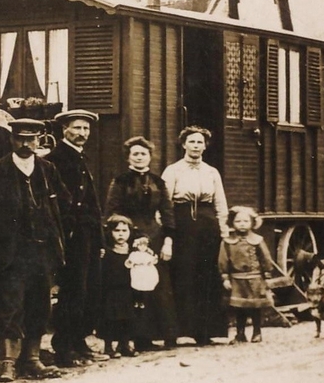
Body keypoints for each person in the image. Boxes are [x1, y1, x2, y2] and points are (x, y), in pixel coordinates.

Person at [0, 118, 69, 382]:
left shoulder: (48, 170)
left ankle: (33, 359)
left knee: (40, 303)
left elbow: (63, 204)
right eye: (20, 139)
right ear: (12, 140)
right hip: (10, 252)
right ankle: (8, 362)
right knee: (10, 303)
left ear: (39, 140)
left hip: (41, 250)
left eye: (31, 139)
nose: (26, 144)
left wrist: (55, 238)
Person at [44, 109, 107, 367]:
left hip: (87, 233)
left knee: (88, 289)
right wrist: (66, 232)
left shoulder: (81, 158)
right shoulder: (55, 159)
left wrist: (100, 240)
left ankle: (79, 340)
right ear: (64, 130)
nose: (83, 133)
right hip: (70, 235)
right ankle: (64, 346)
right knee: (72, 289)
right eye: (77, 128)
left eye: (86, 129)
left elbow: (93, 203)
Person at [104, 136, 178, 349]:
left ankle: (166, 335)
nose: (139, 157)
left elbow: (167, 212)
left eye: (143, 153)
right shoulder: (120, 181)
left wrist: (168, 241)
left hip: (155, 237)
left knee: (160, 285)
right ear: (128, 157)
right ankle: (139, 338)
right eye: (135, 153)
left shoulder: (158, 181)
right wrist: (124, 235)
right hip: (127, 237)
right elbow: (112, 210)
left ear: (149, 157)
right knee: (134, 288)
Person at [161, 125, 229, 345]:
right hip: (182, 225)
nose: (196, 146)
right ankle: (184, 331)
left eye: (200, 142)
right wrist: (167, 230)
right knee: (184, 275)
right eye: (192, 141)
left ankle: (207, 332)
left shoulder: (211, 172)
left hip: (208, 225)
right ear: (183, 144)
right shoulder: (173, 171)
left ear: (205, 146)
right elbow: (165, 203)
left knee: (207, 275)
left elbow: (220, 203)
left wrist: (223, 230)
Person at [218, 206, 274, 343]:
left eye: (245, 221)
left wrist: (267, 276)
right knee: (239, 308)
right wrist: (225, 277)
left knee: (255, 307)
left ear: (252, 223)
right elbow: (223, 260)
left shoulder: (258, 240)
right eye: (238, 221)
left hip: (255, 279)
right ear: (232, 223)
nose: (242, 224)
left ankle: (257, 332)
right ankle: (240, 334)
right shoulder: (227, 242)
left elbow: (265, 258)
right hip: (237, 280)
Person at [100, 215, 136, 358]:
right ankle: (108, 346)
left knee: (127, 317)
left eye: (124, 230)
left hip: (127, 290)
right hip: (112, 291)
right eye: (117, 231)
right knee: (110, 318)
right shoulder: (107, 252)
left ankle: (124, 344)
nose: (121, 234)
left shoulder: (133, 252)